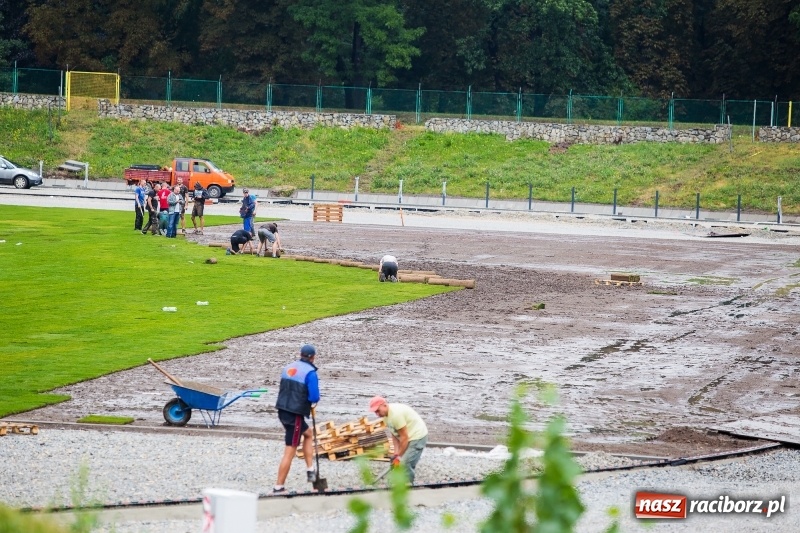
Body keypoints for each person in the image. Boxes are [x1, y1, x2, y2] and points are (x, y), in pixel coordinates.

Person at [273, 344, 321, 493]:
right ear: (313, 357)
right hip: (295, 415)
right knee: (290, 450)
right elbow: (314, 396)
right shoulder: (310, 373)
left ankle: (310, 470)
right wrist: (311, 403)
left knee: (308, 434)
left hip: (282, 410)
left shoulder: (288, 368)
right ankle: (278, 486)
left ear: (301, 354)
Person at [369, 396, 428, 484]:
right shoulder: (386, 417)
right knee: (397, 462)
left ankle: (408, 485)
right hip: (408, 436)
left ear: (384, 405)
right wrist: (396, 454)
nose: (377, 414)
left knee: (405, 463)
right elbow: (395, 434)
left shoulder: (396, 415)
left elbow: (404, 438)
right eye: (375, 412)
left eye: (378, 410)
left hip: (417, 436)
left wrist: (399, 456)